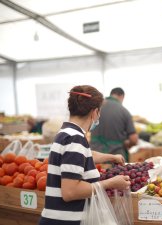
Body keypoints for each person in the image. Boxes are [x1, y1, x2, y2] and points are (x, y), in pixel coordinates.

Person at [39, 85, 131, 225]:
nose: (98, 117)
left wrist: (111, 157)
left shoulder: (67, 133)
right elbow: (70, 192)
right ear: (94, 113)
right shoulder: (75, 138)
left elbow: (83, 155)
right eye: (99, 113)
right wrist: (110, 183)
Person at [90, 87, 138, 162]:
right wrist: (125, 143)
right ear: (122, 96)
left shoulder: (95, 108)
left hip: (94, 157)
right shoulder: (124, 111)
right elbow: (134, 139)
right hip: (115, 158)